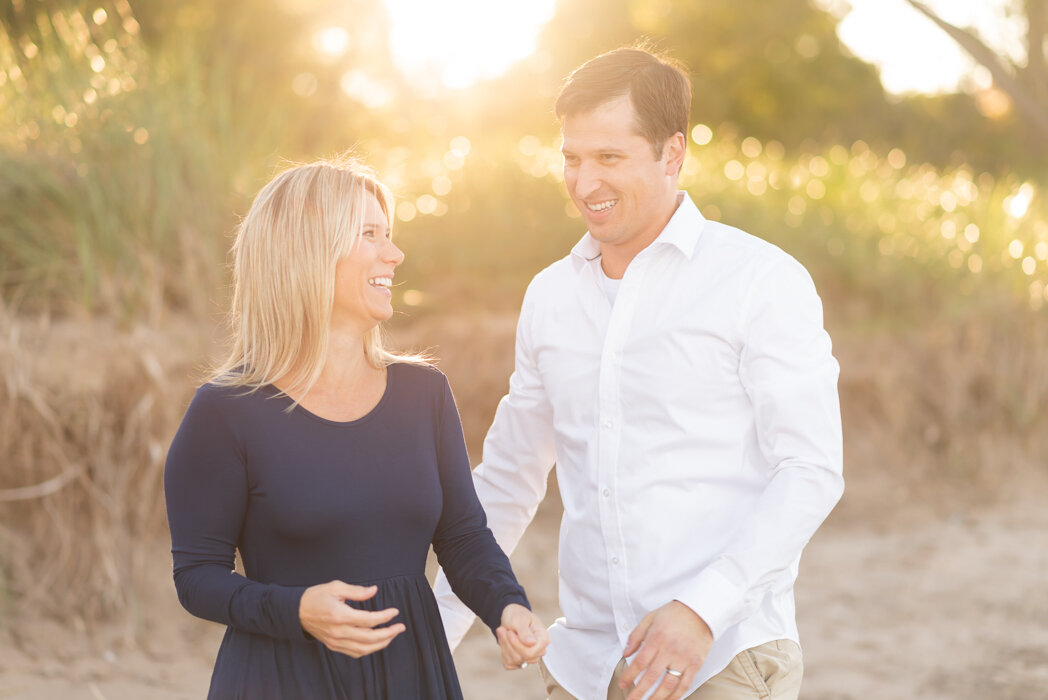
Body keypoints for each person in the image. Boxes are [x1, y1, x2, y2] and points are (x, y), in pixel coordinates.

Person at [434, 47, 844, 700]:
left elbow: (811, 469)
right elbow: (509, 477)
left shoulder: (760, 281)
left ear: (672, 153)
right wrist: (436, 635)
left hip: (723, 654)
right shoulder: (549, 296)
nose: (583, 181)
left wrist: (703, 609)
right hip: (585, 663)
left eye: (609, 158)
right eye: (572, 158)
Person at [164, 158, 549, 699]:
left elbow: (463, 537)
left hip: (411, 677)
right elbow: (198, 577)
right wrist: (295, 610)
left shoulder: (424, 394)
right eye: (370, 235)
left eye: (389, 235)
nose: (394, 254)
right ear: (307, 252)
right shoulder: (225, 410)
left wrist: (507, 606)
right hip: (281, 680)